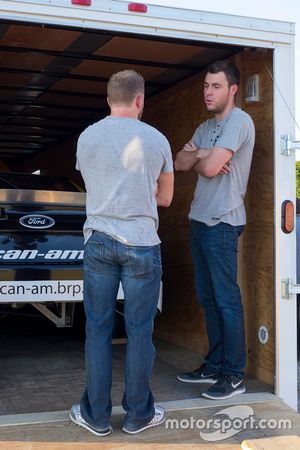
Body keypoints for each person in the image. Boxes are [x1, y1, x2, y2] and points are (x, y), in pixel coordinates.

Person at [69, 70, 174, 435]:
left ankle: (96, 417)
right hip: (143, 243)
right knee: (139, 331)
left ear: (108, 98)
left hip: (99, 240)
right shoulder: (157, 139)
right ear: (140, 99)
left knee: (97, 329)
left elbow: (94, 183)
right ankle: (138, 415)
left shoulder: (87, 137)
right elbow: (166, 197)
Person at [175, 60, 255, 400]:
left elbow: (205, 167)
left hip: (223, 222)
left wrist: (202, 157)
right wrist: (204, 154)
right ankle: (214, 363)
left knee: (226, 301)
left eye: (216, 86)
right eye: (206, 86)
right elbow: (179, 162)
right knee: (209, 300)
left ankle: (234, 375)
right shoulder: (205, 127)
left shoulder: (240, 121)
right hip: (199, 219)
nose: (208, 92)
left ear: (232, 89)